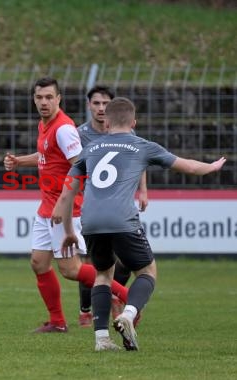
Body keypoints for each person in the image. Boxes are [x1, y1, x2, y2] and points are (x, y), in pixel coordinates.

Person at [53, 97, 226, 351]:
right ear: (134, 122)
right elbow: (186, 166)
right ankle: (128, 314)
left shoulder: (88, 149)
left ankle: (101, 338)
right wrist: (211, 167)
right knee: (147, 271)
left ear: (107, 121)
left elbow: (67, 193)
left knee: (102, 275)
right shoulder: (143, 145)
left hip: (90, 221)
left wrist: (69, 232)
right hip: (122, 219)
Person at [3, 77, 129, 334]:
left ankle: (126, 295)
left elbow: (81, 166)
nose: (44, 102)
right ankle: (58, 322)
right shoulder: (45, 125)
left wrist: (65, 203)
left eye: (49, 97)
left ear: (59, 99)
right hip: (46, 207)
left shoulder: (63, 128)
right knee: (39, 263)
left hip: (64, 208)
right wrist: (19, 162)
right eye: (39, 98)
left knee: (71, 270)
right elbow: (47, 155)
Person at [75, 85, 149, 327]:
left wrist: (143, 191)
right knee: (91, 264)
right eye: (96, 103)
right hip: (91, 205)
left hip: (118, 205)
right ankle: (86, 311)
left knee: (123, 262)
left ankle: (116, 301)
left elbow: (140, 160)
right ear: (89, 106)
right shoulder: (80, 134)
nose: (100, 108)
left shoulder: (125, 134)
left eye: (105, 104)